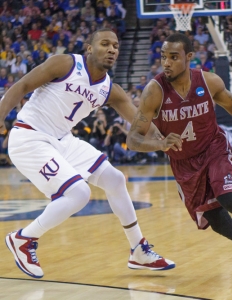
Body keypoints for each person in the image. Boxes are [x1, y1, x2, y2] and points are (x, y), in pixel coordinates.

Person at [0, 28, 175, 279]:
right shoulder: (65, 63)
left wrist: (164, 140)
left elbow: (140, 123)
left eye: (115, 46)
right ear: (90, 48)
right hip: (30, 136)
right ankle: (23, 239)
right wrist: (1, 112)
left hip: (63, 140)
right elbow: (24, 84)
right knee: (79, 193)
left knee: (115, 180)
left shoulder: (110, 90)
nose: (112, 49)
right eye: (105, 44)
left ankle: (138, 250)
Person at [127, 32, 232, 277]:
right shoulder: (154, 91)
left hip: (213, 149)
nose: (166, 62)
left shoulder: (209, 81)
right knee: (220, 224)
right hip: (184, 164)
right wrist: (160, 143)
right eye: (164, 56)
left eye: (173, 57)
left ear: (189, 57)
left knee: (229, 197)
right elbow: (132, 139)